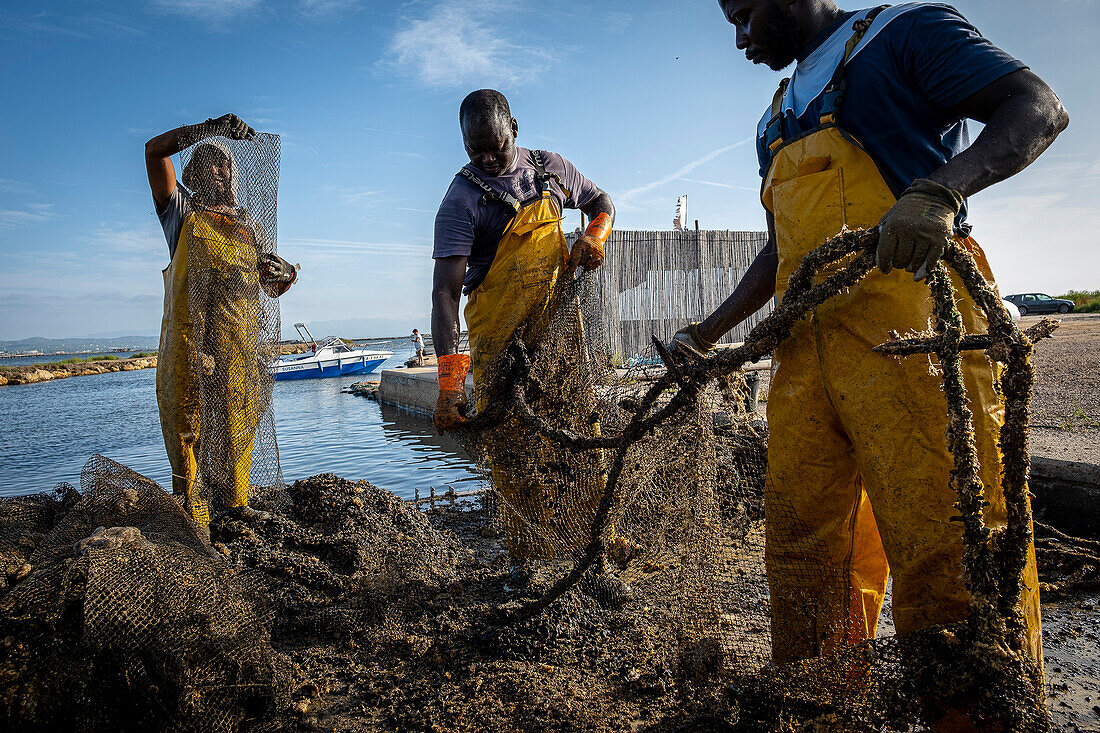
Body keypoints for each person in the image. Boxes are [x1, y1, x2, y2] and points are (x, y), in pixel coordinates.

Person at [673, 0, 1067, 723]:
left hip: (911, 331)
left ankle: (977, 715)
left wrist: (941, 189)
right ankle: (825, 711)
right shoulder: (773, 118)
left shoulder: (902, 34)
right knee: (804, 552)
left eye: (746, 14)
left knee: (949, 542)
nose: (739, 39)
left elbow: (1037, 106)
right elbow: (781, 250)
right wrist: (711, 329)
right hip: (807, 358)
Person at [431, 89, 616, 583]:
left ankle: (592, 546)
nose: (488, 159)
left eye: (497, 145)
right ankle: (526, 561)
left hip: (559, 332)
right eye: (476, 150)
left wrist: (594, 235)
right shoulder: (461, 200)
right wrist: (450, 385)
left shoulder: (551, 170)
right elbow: (445, 297)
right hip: (499, 336)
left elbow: (602, 202)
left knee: (580, 432)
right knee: (512, 446)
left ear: (515, 126)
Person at [146, 113, 299, 529]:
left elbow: (272, 287)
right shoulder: (179, 211)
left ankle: (236, 505)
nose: (221, 168)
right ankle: (191, 513)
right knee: (186, 424)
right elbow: (153, 151)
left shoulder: (249, 228)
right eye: (210, 161)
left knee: (238, 420)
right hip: (188, 343)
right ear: (193, 173)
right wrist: (210, 128)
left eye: (226, 162)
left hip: (237, 345)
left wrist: (284, 275)